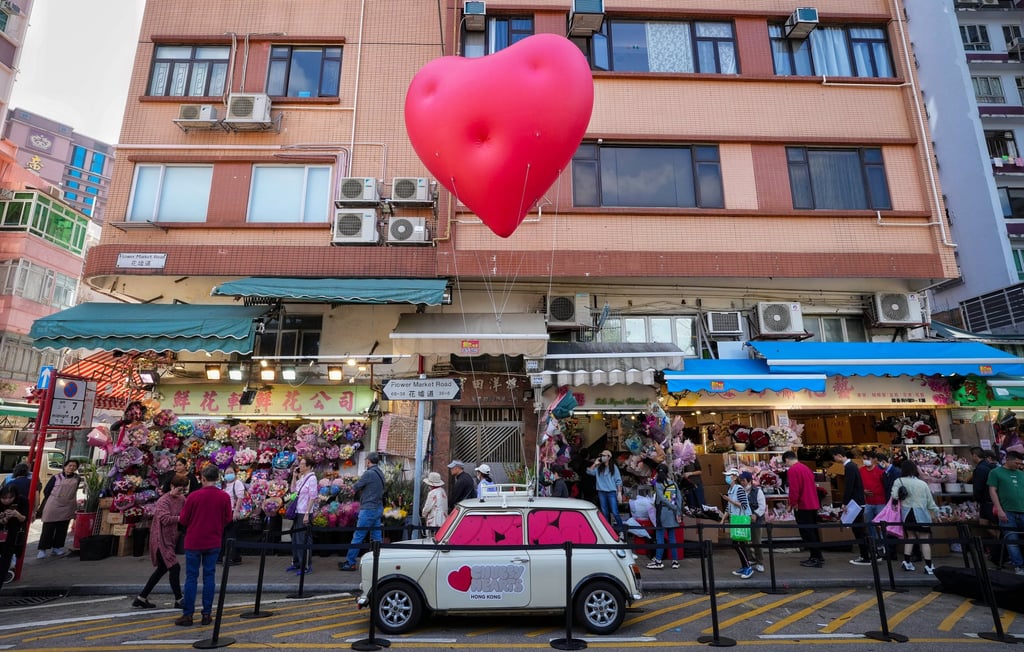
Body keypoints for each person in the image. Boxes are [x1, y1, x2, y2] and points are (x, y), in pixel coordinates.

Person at [175, 464, 231, 627]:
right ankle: (206, 613)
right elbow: (228, 518)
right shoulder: (224, 497)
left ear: (203, 478)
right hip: (213, 540)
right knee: (209, 577)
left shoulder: (194, 496)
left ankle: (188, 614)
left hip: (194, 541)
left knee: (191, 577)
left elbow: (184, 519)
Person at [133, 475, 187, 609]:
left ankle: (141, 597)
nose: (181, 493)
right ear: (172, 486)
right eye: (179, 490)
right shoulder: (163, 501)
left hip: (171, 538)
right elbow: (165, 519)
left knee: (162, 569)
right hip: (160, 539)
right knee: (174, 567)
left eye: (183, 490)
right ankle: (179, 599)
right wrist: (182, 518)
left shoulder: (182, 499)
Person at [339, 452, 386, 572]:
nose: (365, 462)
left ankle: (350, 563)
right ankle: (378, 562)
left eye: (366, 460)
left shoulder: (369, 473)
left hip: (368, 509)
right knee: (376, 537)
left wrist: (345, 488)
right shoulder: (380, 473)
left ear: (369, 461)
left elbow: (355, 487)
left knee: (358, 536)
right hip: (378, 508)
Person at [892, 460, 939, 575]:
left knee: (910, 536)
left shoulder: (899, 481)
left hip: (907, 513)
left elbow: (894, 496)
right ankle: (928, 566)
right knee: (924, 539)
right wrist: (935, 513)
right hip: (921, 513)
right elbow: (930, 501)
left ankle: (907, 561)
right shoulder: (922, 484)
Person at [784, 451, 823, 568]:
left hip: (802, 505)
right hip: (813, 503)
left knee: (807, 531)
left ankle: (814, 557)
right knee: (813, 530)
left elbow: (794, 489)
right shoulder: (806, 468)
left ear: (787, 460)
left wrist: (792, 503)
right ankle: (818, 555)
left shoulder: (793, 470)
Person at [832, 447, 870, 565]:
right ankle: (870, 554)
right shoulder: (852, 466)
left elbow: (849, 487)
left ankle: (865, 556)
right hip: (858, 501)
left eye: (834, 456)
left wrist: (845, 502)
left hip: (855, 503)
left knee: (858, 529)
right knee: (860, 529)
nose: (834, 459)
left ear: (838, 455)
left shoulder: (849, 467)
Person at [989, 449, 1024, 576]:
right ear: (1008, 460)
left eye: (1021, 464)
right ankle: (1018, 566)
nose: (1019, 466)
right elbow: (992, 491)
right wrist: (999, 509)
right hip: (1007, 511)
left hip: (1022, 510)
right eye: (1017, 463)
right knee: (1012, 539)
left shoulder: (1021, 474)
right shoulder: (995, 472)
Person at [36, 460, 81, 558]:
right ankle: (42, 549)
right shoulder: (56, 477)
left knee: (62, 528)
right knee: (48, 528)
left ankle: (57, 548)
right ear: (64, 466)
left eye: (74, 466)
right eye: (70, 465)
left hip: (68, 506)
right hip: (53, 505)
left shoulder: (77, 478)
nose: (72, 468)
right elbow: (46, 490)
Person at [647, 464, 683, 570]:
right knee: (672, 538)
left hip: (662, 513)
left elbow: (661, 498)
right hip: (673, 514)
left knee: (660, 538)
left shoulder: (658, 484)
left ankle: (658, 561)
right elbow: (679, 499)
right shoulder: (673, 483)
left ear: (657, 472)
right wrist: (677, 511)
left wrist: (671, 506)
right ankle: (675, 561)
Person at [288, 456, 318, 575]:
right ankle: (296, 563)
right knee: (295, 538)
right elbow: (293, 491)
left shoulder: (312, 479)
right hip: (297, 511)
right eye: (300, 464)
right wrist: (294, 477)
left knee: (303, 539)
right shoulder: (303, 477)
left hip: (304, 512)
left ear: (309, 466)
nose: (300, 466)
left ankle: (305, 565)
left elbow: (312, 496)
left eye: (302, 464)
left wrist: (307, 513)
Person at [970, 448, 1001, 565]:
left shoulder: (980, 469)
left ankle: (1001, 543)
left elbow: (978, 486)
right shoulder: (991, 467)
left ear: (975, 455)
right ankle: (999, 543)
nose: (971, 458)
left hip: (987, 501)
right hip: (990, 500)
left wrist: (976, 498)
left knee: (991, 524)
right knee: (985, 523)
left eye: (972, 455)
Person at [722, 468, 754, 578]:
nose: (727, 477)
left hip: (741, 518)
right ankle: (745, 566)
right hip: (735, 518)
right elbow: (728, 507)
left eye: (729, 475)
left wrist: (729, 500)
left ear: (735, 477)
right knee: (738, 544)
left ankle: (748, 567)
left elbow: (743, 504)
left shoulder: (739, 489)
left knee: (738, 544)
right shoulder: (730, 490)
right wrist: (723, 519)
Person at [737, 471, 767, 572]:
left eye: (743, 480)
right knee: (744, 540)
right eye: (740, 480)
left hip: (755, 520)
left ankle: (760, 562)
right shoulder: (739, 490)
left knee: (756, 541)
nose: (742, 482)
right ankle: (750, 558)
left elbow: (762, 505)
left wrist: (756, 514)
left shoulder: (757, 491)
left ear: (749, 481)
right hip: (743, 519)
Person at [0, 484, 28, 593]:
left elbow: (24, 519)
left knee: (5, 562)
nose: (7, 501)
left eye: (10, 498)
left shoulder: (21, 500)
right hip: (2, 531)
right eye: (3, 498)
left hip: (12, 535)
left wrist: (16, 514)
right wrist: (2, 518)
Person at [587, 450, 623, 531]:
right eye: (601, 455)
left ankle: (621, 530)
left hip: (611, 492)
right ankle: (607, 531)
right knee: (604, 512)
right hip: (601, 492)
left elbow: (618, 480)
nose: (602, 457)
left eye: (604, 455)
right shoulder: (599, 467)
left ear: (609, 457)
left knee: (615, 512)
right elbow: (589, 472)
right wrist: (595, 464)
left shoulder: (613, 467)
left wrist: (619, 493)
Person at [219, 463, 245, 566]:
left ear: (235, 473)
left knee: (231, 535)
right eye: (227, 473)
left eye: (231, 472)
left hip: (233, 511)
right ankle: (222, 556)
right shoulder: (223, 484)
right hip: (224, 513)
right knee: (223, 535)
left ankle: (233, 557)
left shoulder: (237, 483)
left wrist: (236, 511)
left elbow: (240, 497)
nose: (229, 475)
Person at [861, 452, 887, 554]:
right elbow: (859, 484)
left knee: (881, 525)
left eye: (867, 458)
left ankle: (883, 543)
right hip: (868, 502)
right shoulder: (861, 470)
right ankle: (874, 542)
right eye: (863, 458)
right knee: (869, 523)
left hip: (881, 501)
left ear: (873, 459)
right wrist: (863, 491)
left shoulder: (880, 470)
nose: (865, 460)